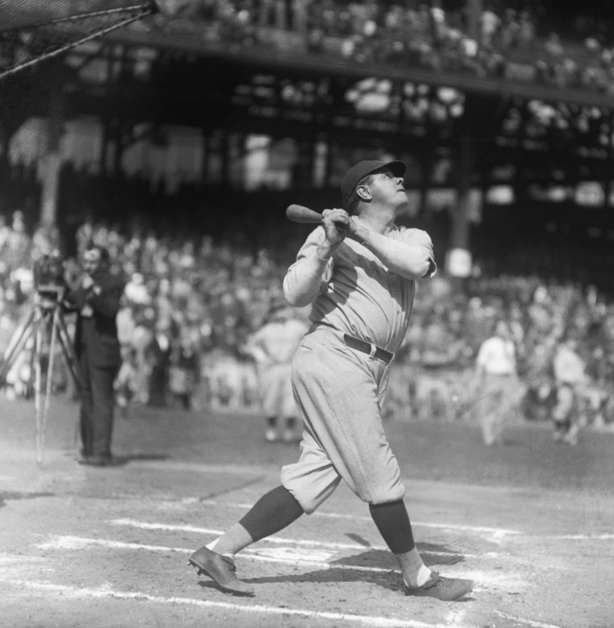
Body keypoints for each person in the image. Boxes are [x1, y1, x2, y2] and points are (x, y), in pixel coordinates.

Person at [187, 159, 474, 602]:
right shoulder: (327, 236)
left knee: (311, 478)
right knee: (379, 474)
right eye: (387, 176)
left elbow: (414, 266)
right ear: (362, 191)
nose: (400, 179)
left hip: (366, 366)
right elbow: (295, 294)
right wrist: (326, 246)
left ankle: (217, 552)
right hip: (335, 355)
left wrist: (357, 234)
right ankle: (417, 576)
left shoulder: (412, 237)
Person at [66, 244, 126, 466]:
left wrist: (93, 292)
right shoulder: (84, 280)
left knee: (102, 399)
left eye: (92, 261)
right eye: (86, 261)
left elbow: (110, 310)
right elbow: (71, 303)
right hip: (84, 349)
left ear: (102, 263)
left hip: (103, 350)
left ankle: (101, 451)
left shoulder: (112, 282)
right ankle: (88, 448)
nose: (88, 265)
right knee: (87, 398)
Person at [246, 299, 308, 442]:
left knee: (291, 400)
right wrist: (263, 358)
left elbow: (310, 341)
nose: (280, 313)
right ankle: (271, 430)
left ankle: (289, 431)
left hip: (291, 366)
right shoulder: (267, 329)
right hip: (272, 368)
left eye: (283, 309)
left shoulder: (297, 327)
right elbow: (251, 345)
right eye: (277, 310)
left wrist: (301, 356)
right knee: (270, 398)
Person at [473, 320, 523, 446]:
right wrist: (477, 379)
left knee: (509, 406)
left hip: (507, 378)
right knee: (489, 406)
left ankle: (495, 427)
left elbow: (512, 365)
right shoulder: (489, 344)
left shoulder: (509, 345)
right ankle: (489, 435)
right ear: (495, 330)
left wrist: (515, 381)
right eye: (501, 328)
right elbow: (481, 363)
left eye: (505, 327)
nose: (504, 330)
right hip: (492, 377)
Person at [551, 335, 587, 445]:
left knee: (574, 412)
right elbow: (559, 373)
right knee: (564, 408)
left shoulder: (576, 356)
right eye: (571, 341)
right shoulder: (562, 356)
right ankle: (558, 430)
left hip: (576, 386)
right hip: (566, 385)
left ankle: (569, 434)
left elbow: (580, 374)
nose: (574, 344)